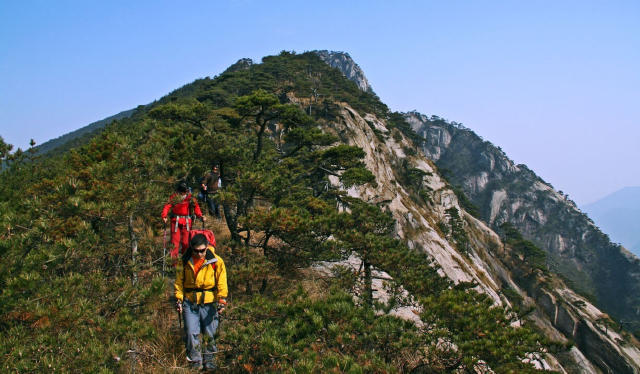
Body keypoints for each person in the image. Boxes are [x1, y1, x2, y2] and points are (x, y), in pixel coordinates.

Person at [175, 234, 228, 370]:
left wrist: (222, 300)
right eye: (196, 251)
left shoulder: (216, 261)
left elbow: (222, 282)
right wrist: (179, 299)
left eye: (202, 250)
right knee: (191, 332)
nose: (199, 254)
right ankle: (195, 363)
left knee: (210, 334)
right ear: (192, 248)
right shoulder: (184, 261)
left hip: (209, 303)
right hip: (190, 302)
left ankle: (210, 363)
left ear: (207, 247)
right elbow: (179, 283)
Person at [162, 181, 205, 258]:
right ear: (179, 191)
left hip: (187, 222)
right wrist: (164, 216)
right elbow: (167, 206)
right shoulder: (174, 197)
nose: (183, 193)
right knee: (174, 243)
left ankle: (185, 261)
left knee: (186, 243)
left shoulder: (190, 197)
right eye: (182, 191)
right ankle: (173, 263)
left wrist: (200, 216)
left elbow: (196, 207)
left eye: (185, 191)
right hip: (175, 222)